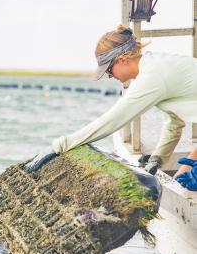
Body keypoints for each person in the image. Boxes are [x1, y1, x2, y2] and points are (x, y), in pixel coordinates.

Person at [28, 25, 197, 191]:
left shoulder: (151, 77)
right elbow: (174, 122)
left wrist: (61, 145)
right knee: (180, 183)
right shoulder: (156, 64)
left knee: (185, 184)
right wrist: (158, 159)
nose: (110, 76)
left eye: (109, 70)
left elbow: (112, 121)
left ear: (122, 60)